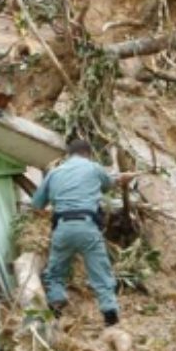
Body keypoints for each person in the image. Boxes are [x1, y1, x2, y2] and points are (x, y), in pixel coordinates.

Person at [30, 139, 133, 324]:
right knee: (100, 272)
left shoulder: (54, 173)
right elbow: (109, 184)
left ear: (69, 155)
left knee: (55, 273)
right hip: (87, 227)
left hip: (62, 228)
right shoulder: (94, 168)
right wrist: (122, 178)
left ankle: (56, 307)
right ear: (89, 153)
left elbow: (36, 204)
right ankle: (110, 315)